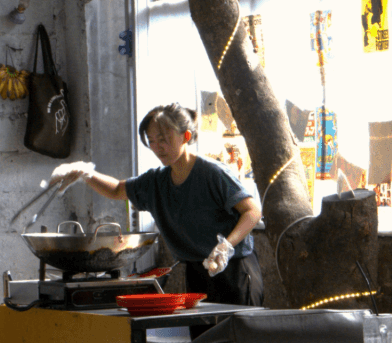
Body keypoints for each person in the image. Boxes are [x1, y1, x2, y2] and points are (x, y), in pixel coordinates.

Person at [52, 103, 263, 307]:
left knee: (240, 339)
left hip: (235, 270)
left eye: (163, 138)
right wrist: (85, 173)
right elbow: (117, 189)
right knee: (203, 341)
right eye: (151, 140)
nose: (157, 147)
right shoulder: (156, 182)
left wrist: (226, 246)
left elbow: (252, 211)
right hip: (197, 273)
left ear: (186, 137)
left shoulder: (212, 173)